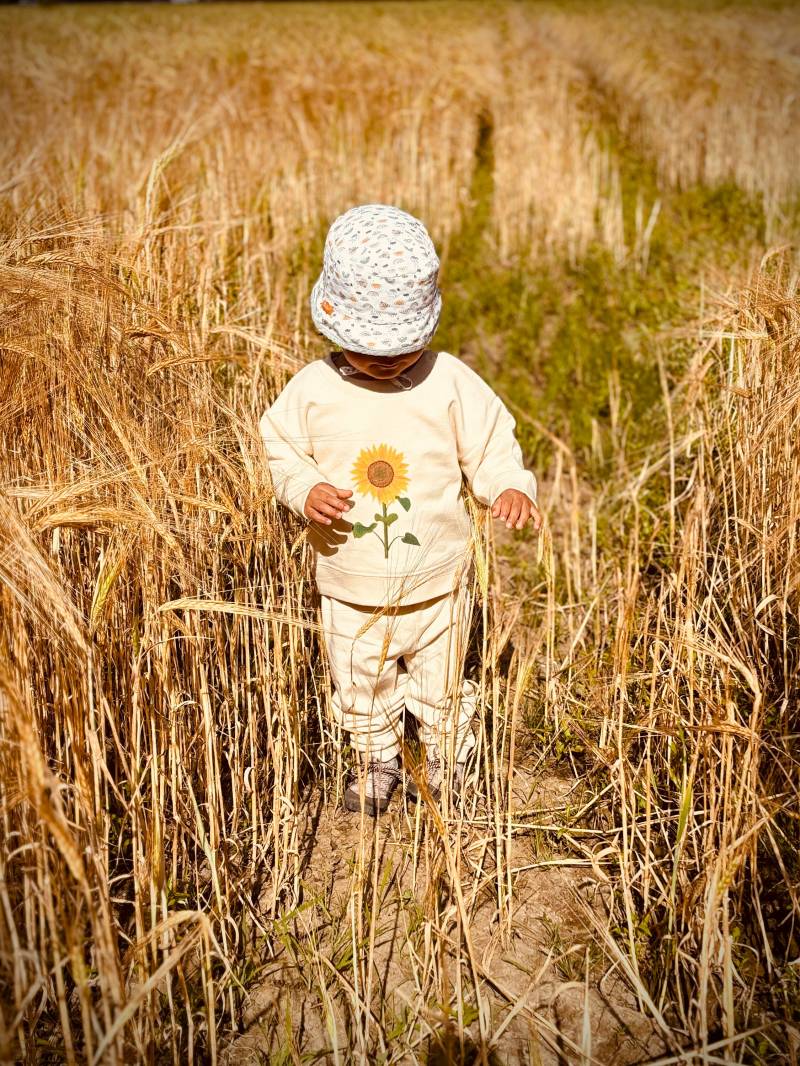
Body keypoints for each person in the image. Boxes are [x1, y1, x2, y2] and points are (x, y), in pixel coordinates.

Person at [260, 203, 542, 816]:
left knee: (442, 678)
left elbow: (491, 440)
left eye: (403, 345)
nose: (388, 360)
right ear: (333, 327)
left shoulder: (448, 382)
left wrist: (508, 484)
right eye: (370, 347)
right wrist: (304, 488)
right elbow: (278, 449)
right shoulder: (312, 389)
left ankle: (446, 754)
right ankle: (378, 754)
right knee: (360, 678)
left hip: (440, 580)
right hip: (349, 583)